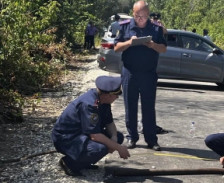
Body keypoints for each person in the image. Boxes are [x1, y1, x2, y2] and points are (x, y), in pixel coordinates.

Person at [114, 0, 167, 151]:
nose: (140, 19)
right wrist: (129, 42)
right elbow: (116, 47)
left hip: (148, 74)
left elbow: (163, 49)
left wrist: (153, 45)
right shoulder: (124, 26)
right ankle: (132, 137)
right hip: (129, 73)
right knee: (130, 106)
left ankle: (151, 139)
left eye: (143, 16)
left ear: (148, 15)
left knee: (148, 107)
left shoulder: (156, 29)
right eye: (137, 16)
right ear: (133, 13)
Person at [51, 76, 130, 176]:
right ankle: (69, 163)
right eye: (116, 95)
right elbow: (95, 136)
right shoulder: (89, 104)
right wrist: (118, 147)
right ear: (107, 95)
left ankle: (84, 162)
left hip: (82, 134)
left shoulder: (103, 101)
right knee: (99, 148)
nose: (117, 97)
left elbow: (109, 122)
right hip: (67, 139)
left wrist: (114, 139)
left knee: (118, 137)